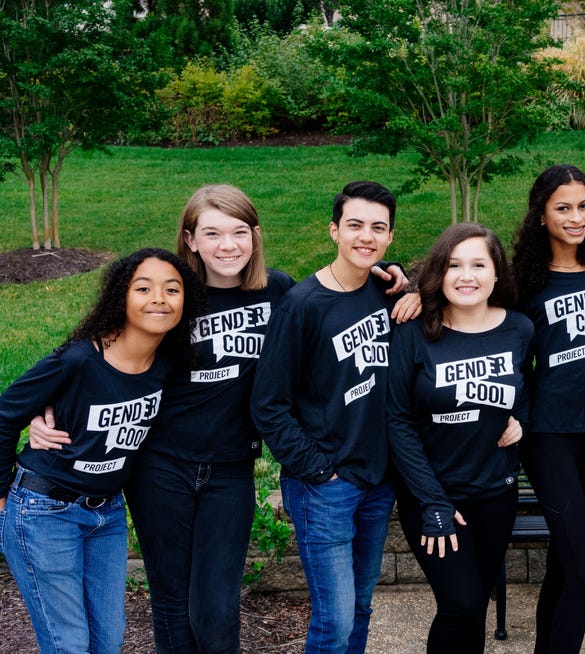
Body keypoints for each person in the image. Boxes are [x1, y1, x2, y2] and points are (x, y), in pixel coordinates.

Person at [26, 185, 412, 654]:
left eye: (238, 232)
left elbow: (339, 293)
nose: (226, 245)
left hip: (230, 468)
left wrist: (400, 279)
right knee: (172, 602)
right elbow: (89, 349)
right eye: (211, 233)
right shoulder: (171, 296)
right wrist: (44, 407)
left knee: (217, 609)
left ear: (254, 236)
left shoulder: (278, 291)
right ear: (190, 239)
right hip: (160, 465)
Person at [0, 248, 206, 654]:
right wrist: (1, 494)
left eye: (172, 289)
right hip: (45, 511)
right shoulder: (79, 358)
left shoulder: (167, 364)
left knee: (108, 642)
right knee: (70, 645)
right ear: (120, 296)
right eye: (143, 288)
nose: (159, 299)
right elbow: (5, 414)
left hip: (106, 515)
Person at [250, 180, 415, 654]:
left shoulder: (385, 290)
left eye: (378, 228)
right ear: (334, 231)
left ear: (388, 237)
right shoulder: (302, 305)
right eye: (355, 225)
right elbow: (268, 404)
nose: (366, 236)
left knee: (360, 608)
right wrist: (318, 469)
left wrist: (417, 287)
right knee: (334, 618)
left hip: (377, 480)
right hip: (325, 485)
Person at [387, 222, 531, 654]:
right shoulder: (414, 332)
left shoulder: (519, 330)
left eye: (478, 264)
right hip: (433, 496)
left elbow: (529, 383)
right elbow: (397, 421)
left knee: (474, 608)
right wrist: (433, 502)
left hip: (495, 494)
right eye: (454, 265)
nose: (466, 276)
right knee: (460, 603)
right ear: (438, 273)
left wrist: (520, 418)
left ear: (496, 272)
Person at [510, 164, 585, 653]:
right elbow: (486, 337)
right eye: (563, 207)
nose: (576, 216)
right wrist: (413, 293)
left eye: (584, 206)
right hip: (546, 436)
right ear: (541, 215)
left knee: (565, 568)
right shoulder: (524, 281)